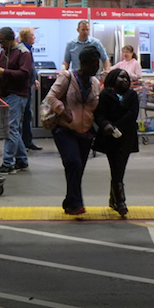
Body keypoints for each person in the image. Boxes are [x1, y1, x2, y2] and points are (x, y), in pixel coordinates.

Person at [45, 45, 102, 216]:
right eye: (93, 63)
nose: (96, 67)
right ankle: (77, 204)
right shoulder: (67, 77)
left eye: (97, 63)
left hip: (86, 132)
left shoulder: (95, 83)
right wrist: (63, 110)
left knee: (77, 169)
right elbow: (51, 97)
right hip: (64, 129)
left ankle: (69, 200)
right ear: (83, 63)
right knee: (74, 163)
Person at [92, 68, 139, 217]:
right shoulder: (105, 94)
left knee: (119, 166)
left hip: (127, 136)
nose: (125, 80)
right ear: (113, 79)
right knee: (116, 166)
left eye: (127, 78)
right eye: (121, 78)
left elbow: (133, 114)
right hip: (109, 138)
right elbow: (99, 114)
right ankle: (120, 201)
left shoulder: (132, 95)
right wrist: (106, 124)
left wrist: (118, 126)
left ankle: (115, 199)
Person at [0, 26, 33, 174]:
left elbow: (25, 73)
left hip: (17, 94)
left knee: (11, 129)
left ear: (11, 40)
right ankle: (21, 160)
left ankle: (8, 163)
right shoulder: (5, 52)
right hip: (7, 93)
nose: (1, 45)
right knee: (13, 128)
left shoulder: (24, 53)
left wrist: (4, 72)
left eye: (3, 41)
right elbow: (3, 67)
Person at [17, 27, 42, 151]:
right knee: (22, 116)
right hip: (23, 88)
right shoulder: (23, 50)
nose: (34, 37)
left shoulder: (28, 49)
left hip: (28, 86)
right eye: (32, 35)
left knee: (28, 115)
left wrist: (35, 79)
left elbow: (31, 67)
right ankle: (22, 143)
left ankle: (27, 141)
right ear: (27, 37)